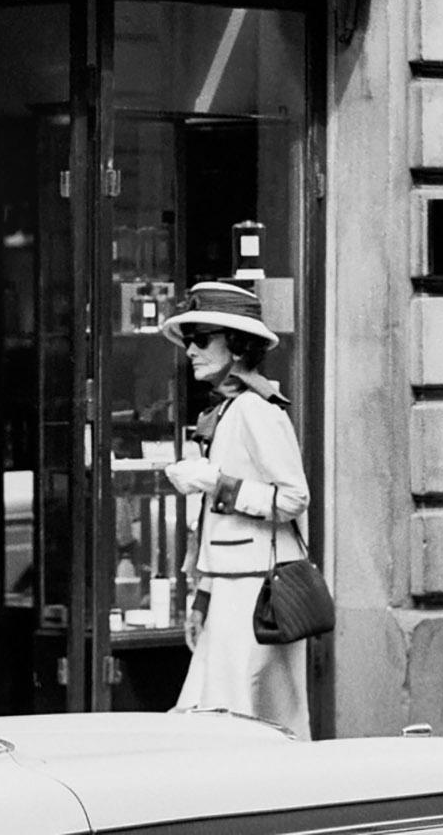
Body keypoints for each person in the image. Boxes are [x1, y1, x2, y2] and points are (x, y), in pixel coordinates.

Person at [159, 280, 311, 739]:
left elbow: (293, 497)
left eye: (203, 340)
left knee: (244, 723)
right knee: (224, 719)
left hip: (257, 595)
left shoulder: (256, 411)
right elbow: (212, 524)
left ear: (237, 347)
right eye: (190, 341)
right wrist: (202, 597)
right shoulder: (228, 410)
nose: (191, 351)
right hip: (231, 592)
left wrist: (217, 483)